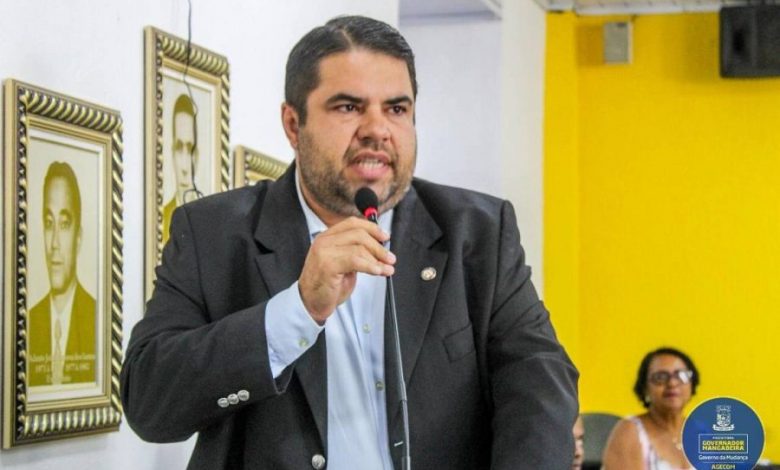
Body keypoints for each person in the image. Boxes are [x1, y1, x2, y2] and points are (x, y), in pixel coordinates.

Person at [121, 15, 578, 470]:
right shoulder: (213, 234)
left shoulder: (478, 234)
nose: (377, 129)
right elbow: (149, 405)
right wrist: (298, 310)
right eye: (348, 107)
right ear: (293, 124)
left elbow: (540, 382)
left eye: (396, 109)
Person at [28, 162, 96, 387]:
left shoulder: (96, 318)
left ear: (79, 237)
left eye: (65, 224)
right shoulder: (28, 321)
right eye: (49, 223)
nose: (54, 243)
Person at [602, 347, 698, 470]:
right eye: (660, 377)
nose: (672, 383)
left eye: (681, 375)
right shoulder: (630, 432)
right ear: (645, 388)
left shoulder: (700, 432)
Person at [162, 93, 201, 244]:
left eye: (190, 149)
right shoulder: (164, 215)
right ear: (172, 153)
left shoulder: (209, 221)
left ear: (196, 156)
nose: (185, 167)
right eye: (179, 148)